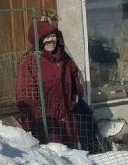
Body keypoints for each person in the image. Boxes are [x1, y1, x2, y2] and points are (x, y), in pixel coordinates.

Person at [14, 19, 85, 147]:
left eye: (53, 36)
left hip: (67, 119)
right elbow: (26, 96)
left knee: (73, 157)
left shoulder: (64, 57)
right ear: (39, 40)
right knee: (53, 157)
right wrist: (38, 121)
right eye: (46, 37)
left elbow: (76, 79)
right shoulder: (30, 61)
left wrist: (75, 97)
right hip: (46, 123)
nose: (51, 40)